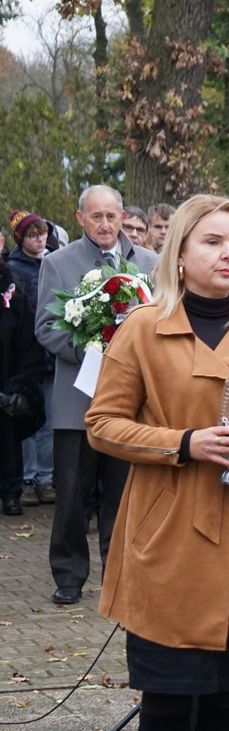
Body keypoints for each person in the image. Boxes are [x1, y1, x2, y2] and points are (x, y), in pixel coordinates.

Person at [85, 194, 229, 731]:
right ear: (179, 254)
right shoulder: (142, 329)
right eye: (212, 241)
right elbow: (103, 425)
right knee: (167, 702)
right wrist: (185, 442)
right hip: (171, 540)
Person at [35, 185, 158, 606]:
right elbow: (46, 328)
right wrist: (94, 348)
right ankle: (69, 574)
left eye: (111, 216)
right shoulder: (57, 263)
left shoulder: (149, 263)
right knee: (71, 494)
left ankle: (121, 573)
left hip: (131, 407)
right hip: (77, 403)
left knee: (124, 494)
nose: (105, 225)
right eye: (96, 217)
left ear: (123, 216)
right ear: (80, 218)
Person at [6, 211, 55, 509]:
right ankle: (27, 476)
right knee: (27, 417)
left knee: (49, 418)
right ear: (21, 239)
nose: (40, 240)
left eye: (42, 234)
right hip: (26, 355)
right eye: (33, 235)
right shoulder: (14, 270)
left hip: (52, 356)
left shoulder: (55, 262)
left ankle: (46, 478)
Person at [0, 254, 46, 516]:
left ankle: (10, 490)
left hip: (6, 384)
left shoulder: (13, 295)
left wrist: (20, 386)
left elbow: (28, 345)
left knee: (7, 437)